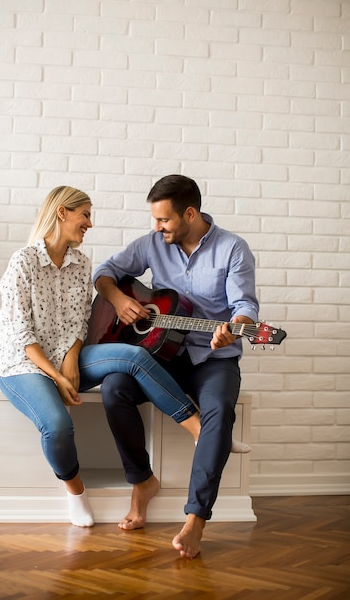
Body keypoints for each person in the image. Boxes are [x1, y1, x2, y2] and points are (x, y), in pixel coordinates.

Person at [0, 185, 205, 529]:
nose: (90, 223)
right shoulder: (24, 261)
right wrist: (59, 376)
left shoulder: (81, 263)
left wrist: (71, 360)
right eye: (85, 215)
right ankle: (76, 493)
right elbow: (21, 333)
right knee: (58, 426)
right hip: (22, 363)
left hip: (66, 358)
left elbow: (80, 321)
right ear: (62, 212)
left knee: (133, 356)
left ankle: (198, 428)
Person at [93, 175, 259, 557]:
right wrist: (119, 300)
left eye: (164, 220)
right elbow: (103, 273)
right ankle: (142, 483)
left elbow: (245, 309)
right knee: (114, 387)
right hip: (160, 356)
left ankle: (195, 520)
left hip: (213, 358)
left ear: (189, 213)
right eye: (154, 220)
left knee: (219, 411)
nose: (157, 228)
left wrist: (235, 331)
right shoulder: (151, 244)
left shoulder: (233, 249)